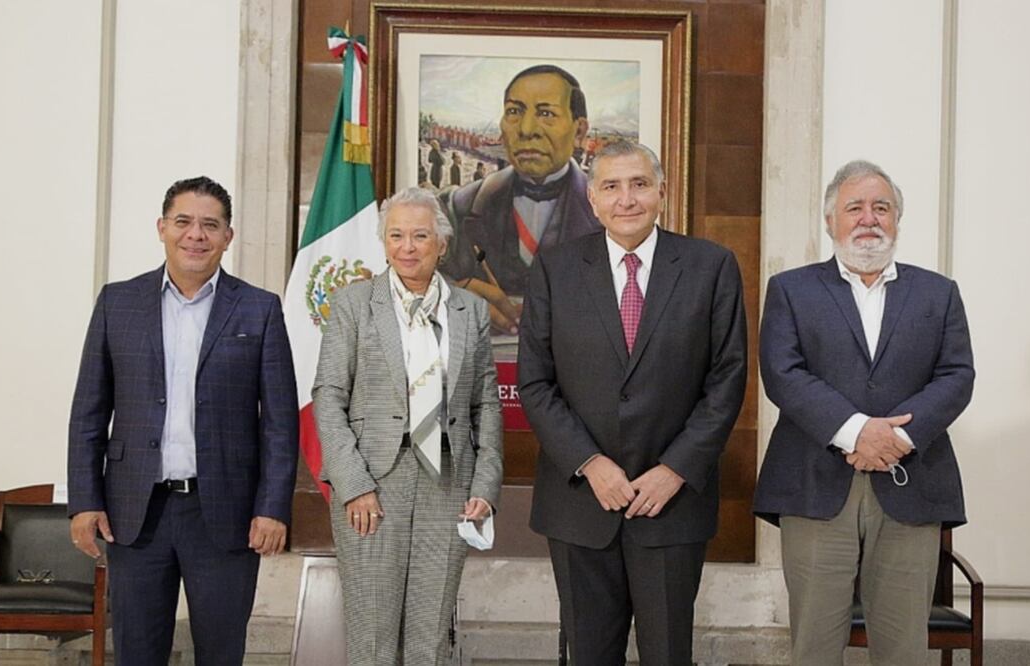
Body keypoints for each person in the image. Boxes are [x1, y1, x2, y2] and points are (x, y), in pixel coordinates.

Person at [518, 141, 747, 665]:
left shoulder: (711, 267)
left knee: (668, 655)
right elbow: (535, 382)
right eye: (612, 187)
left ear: (662, 192)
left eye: (640, 184)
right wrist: (590, 463)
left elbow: (727, 381)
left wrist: (675, 470)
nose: (628, 199)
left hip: (671, 505)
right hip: (580, 503)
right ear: (592, 199)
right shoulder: (554, 269)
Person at [67, 176, 299, 665]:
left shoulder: (259, 310)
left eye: (210, 225)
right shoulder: (117, 302)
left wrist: (273, 507)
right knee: (137, 653)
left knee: (220, 654)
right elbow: (89, 411)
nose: (196, 234)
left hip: (226, 516)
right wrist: (84, 501)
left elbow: (280, 423)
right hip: (135, 513)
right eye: (184, 222)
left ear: (227, 237)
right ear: (161, 228)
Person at [754, 160, 975, 665]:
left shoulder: (938, 293)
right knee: (814, 644)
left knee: (903, 649)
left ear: (897, 220)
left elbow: (957, 376)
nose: (868, 218)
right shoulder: (790, 289)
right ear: (831, 221)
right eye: (855, 207)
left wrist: (896, 439)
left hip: (911, 480)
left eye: (882, 208)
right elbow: (782, 374)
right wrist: (857, 432)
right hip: (814, 484)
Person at [313, 186, 503, 664]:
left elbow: (485, 403)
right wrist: (354, 485)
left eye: (420, 235)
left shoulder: (470, 310)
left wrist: (485, 484)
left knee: (430, 638)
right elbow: (328, 398)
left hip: (448, 488)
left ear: (442, 242)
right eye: (396, 235)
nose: (408, 247)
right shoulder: (354, 305)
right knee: (372, 638)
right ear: (383, 241)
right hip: (372, 489)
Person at [441, 64, 602, 334]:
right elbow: (413, 281)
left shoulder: (611, 212)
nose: (527, 129)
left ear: (579, 132)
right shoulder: (459, 206)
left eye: (546, 113)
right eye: (514, 112)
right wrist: (452, 295)